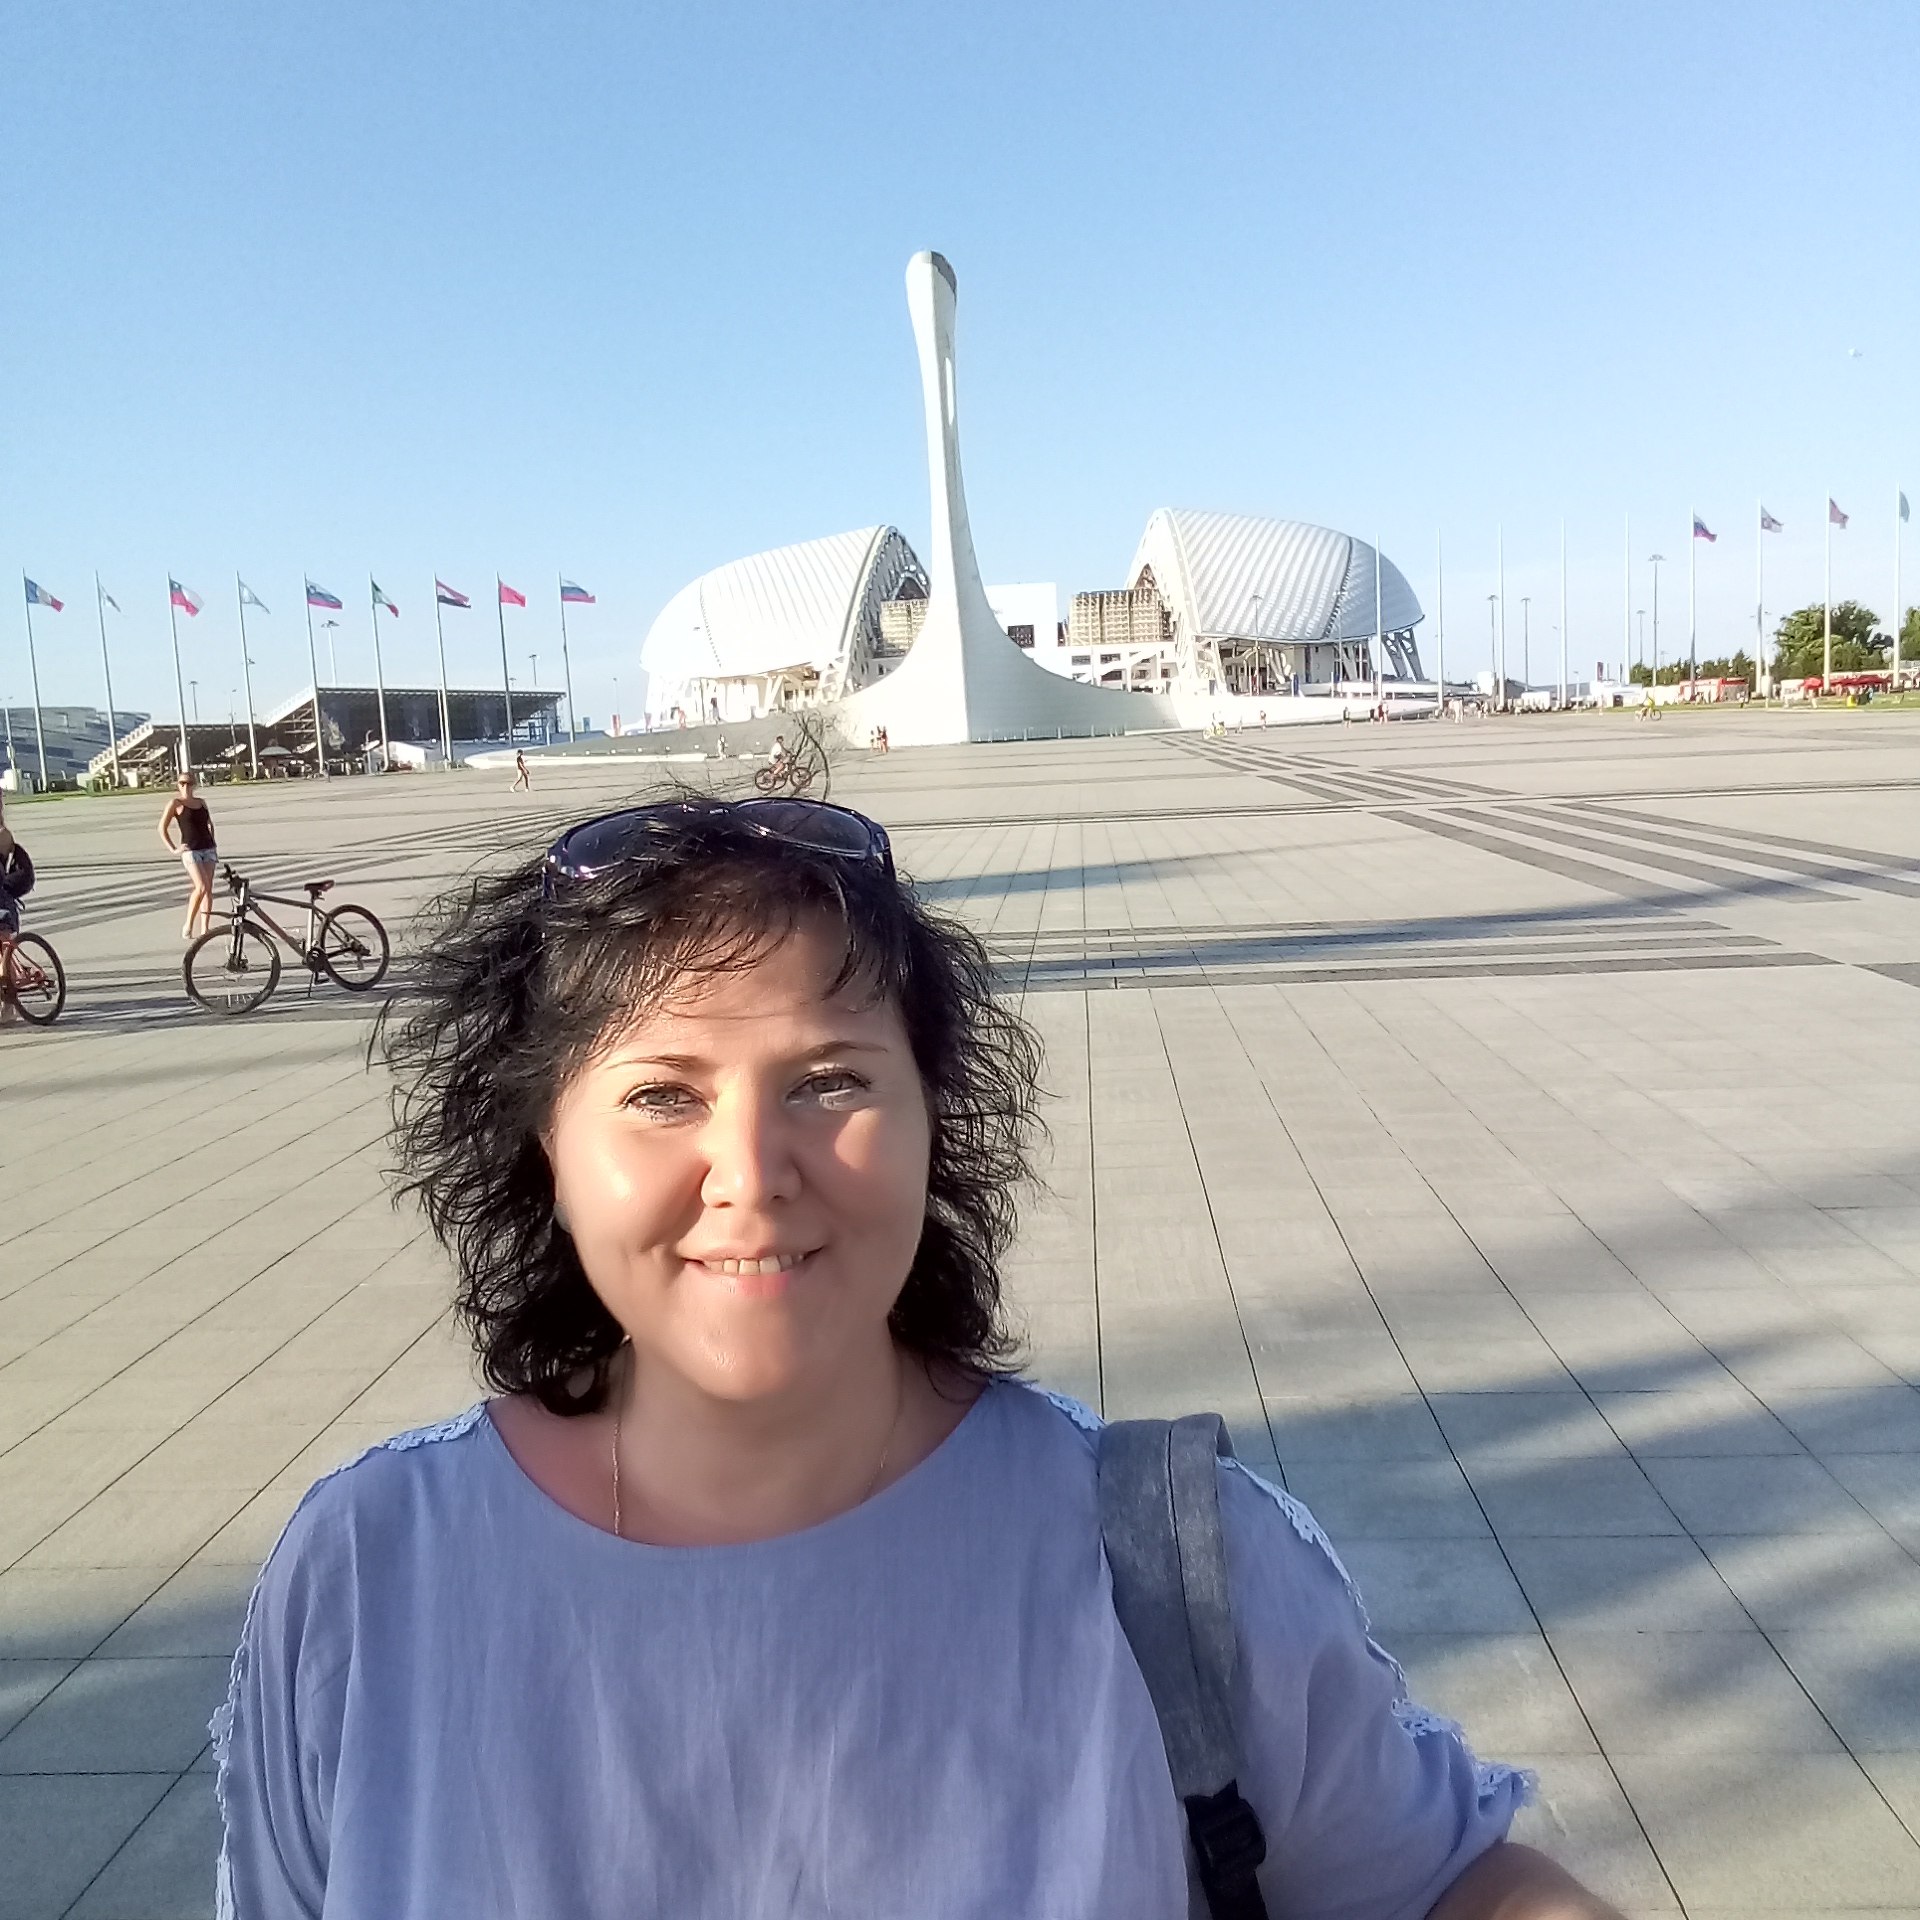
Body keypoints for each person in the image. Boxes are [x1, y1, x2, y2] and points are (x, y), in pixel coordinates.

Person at [214, 796, 1624, 1920]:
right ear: (548, 1153)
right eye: (661, 1095)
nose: (750, 1173)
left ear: (932, 1123)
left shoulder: (1172, 1563)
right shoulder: (368, 1576)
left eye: (829, 1081)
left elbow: (1450, 1882)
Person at [159, 768, 218, 939]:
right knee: (200, 887)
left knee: (208, 889)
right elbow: (162, 828)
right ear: (178, 785)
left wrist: (213, 840)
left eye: (189, 783)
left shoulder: (201, 802)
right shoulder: (175, 804)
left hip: (208, 848)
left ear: (194, 785)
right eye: (182, 783)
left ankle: (205, 929)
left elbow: (209, 823)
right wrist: (173, 849)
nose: (186, 786)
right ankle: (189, 924)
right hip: (191, 850)